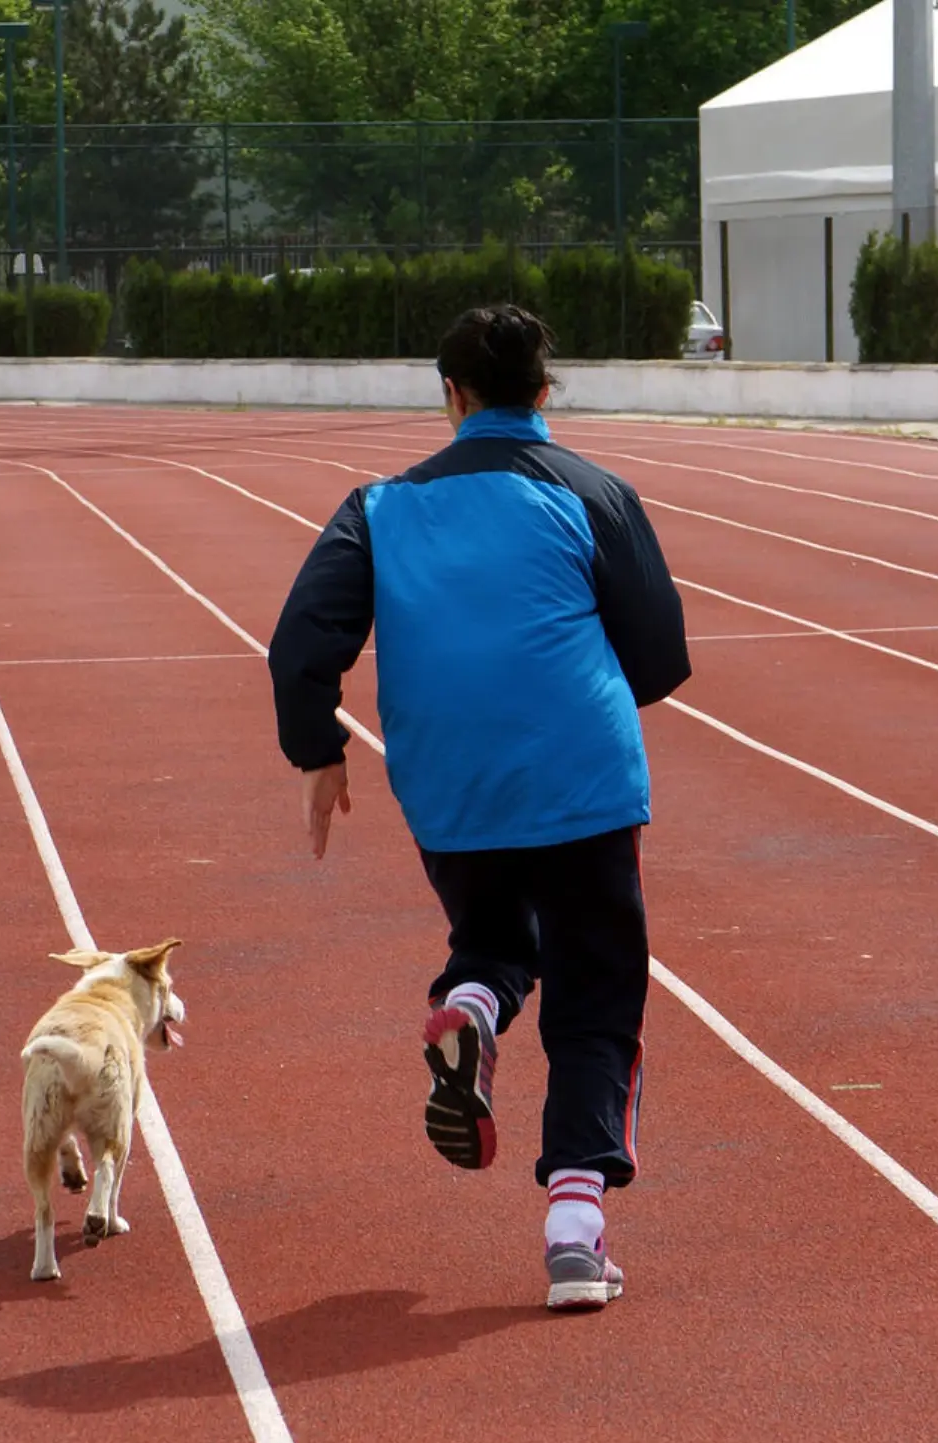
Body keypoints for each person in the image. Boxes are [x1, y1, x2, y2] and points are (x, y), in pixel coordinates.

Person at [267, 304, 691, 1312]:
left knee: (497, 936)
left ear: (450, 394)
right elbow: (661, 657)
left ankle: (471, 1008)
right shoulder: (595, 492)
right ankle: (576, 1229)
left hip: (448, 782)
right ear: (546, 392)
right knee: (597, 994)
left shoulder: (378, 505)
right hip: (582, 780)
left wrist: (319, 753)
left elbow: (299, 646)